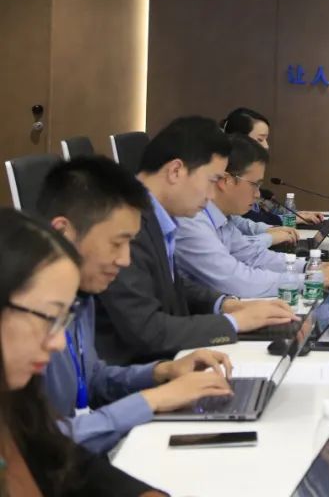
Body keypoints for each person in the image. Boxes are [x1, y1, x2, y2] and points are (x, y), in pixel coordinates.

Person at [38, 157, 236, 453]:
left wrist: (162, 372)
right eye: (116, 243)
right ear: (63, 233)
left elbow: (93, 380)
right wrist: (152, 400)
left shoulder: (80, 296)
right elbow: (39, 444)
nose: (125, 260)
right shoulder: (19, 316)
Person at [94, 116, 298, 365]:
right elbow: (146, 328)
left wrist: (223, 304)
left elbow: (173, 286)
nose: (212, 194)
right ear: (175, 171)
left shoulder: (155, 214)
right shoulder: (124, 224)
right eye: (212, 180)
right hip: (137, 371)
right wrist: (233, 323)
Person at [0, 209, 167, 496]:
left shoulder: (17, 400)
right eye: (48, 317)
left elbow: (63, 455)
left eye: (62, 320)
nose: (57, 343)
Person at [174, 134, 329, 298]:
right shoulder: (192, 221)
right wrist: (312, 280)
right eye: (254, 185)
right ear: (226, 180)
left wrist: (309, 267)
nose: (257, 195)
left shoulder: (222, 218)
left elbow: (254, 257)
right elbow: (236, 280)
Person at [221, 107, 323, 227]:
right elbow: (247, 220)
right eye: (260, 139)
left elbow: (252, 222)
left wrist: (296, 216)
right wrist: (287, 221)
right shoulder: (226, 174)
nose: (266, 146)